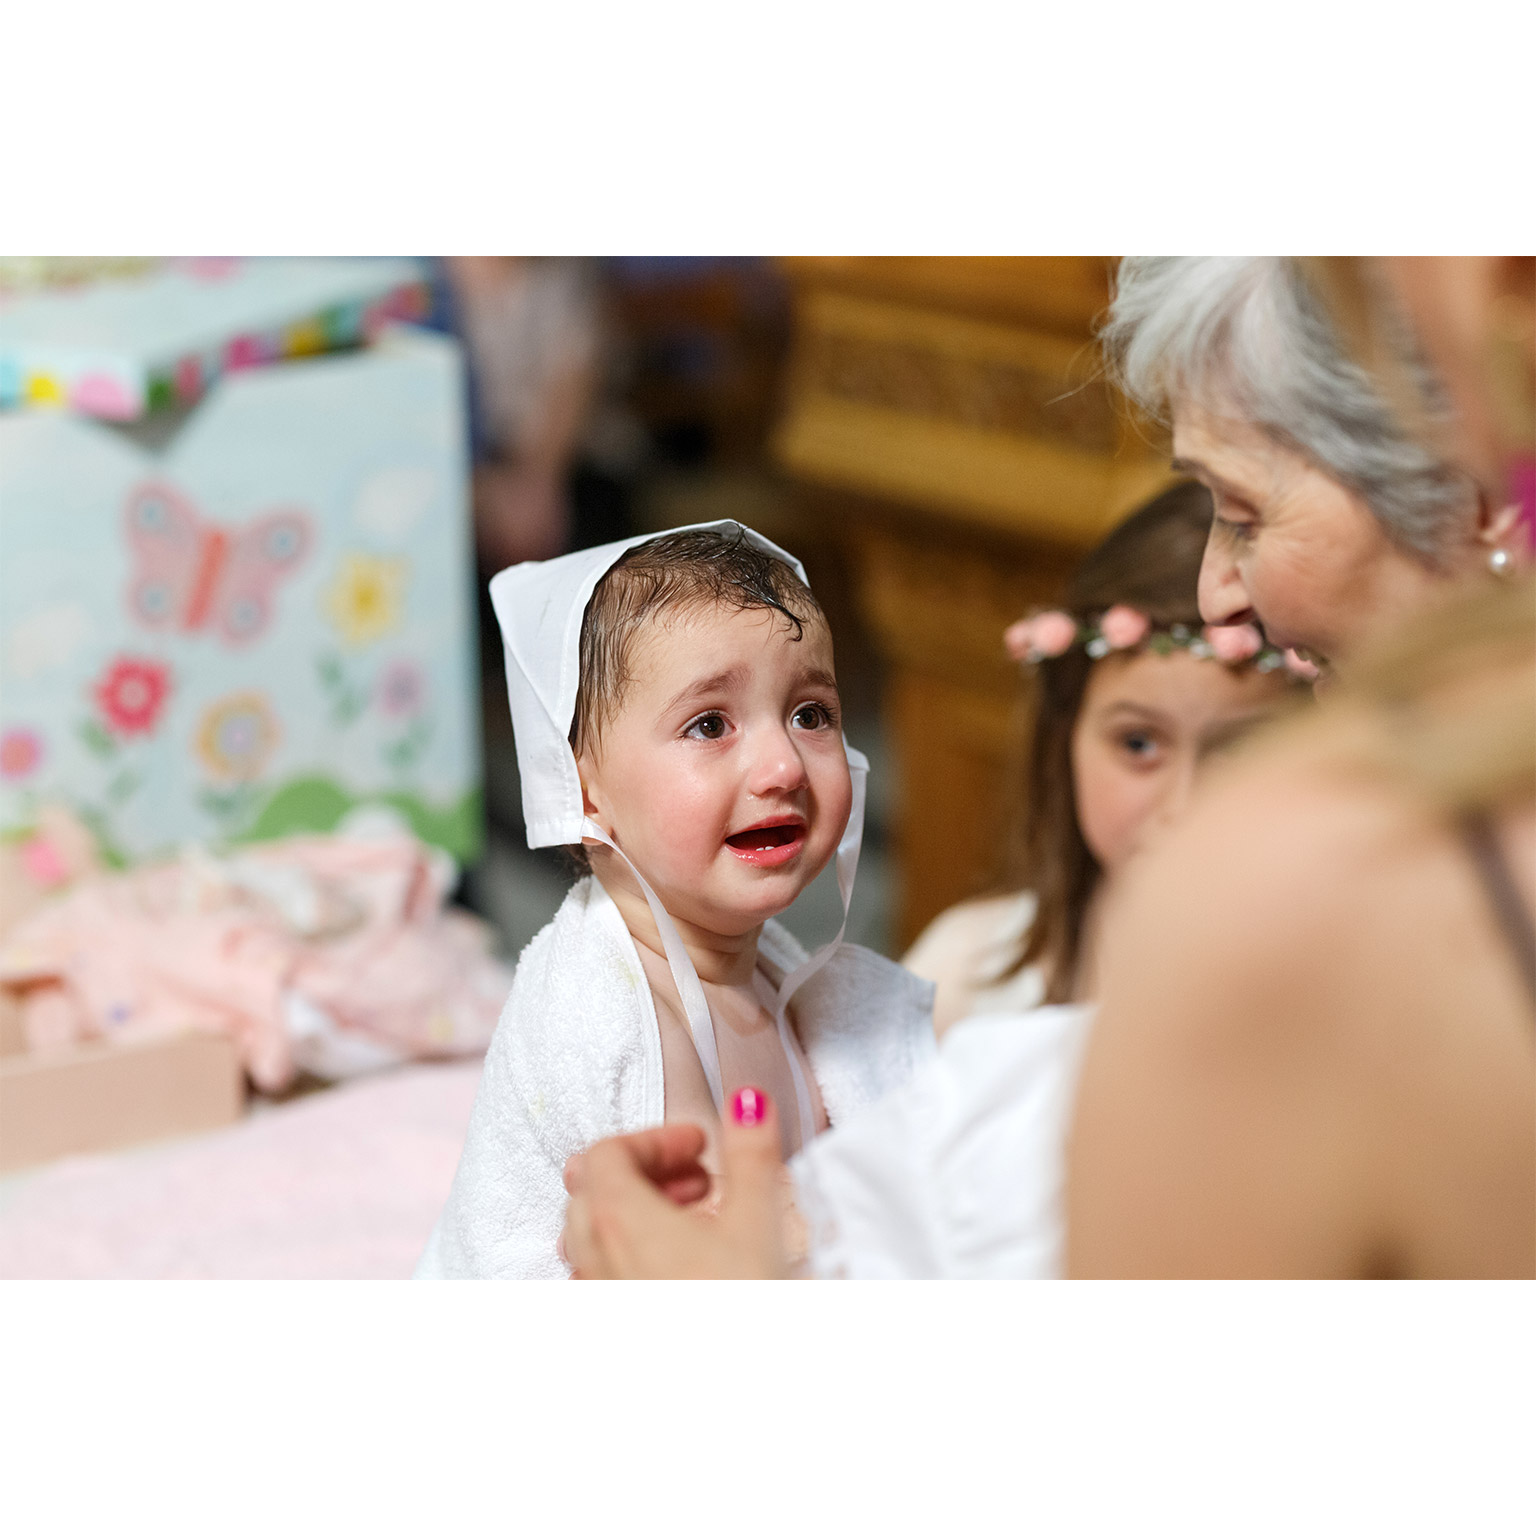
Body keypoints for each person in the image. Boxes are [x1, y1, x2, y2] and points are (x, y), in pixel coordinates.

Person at [556, 258, 1535, 1280]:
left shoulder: (1291, 908)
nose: (1215, 597)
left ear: (1481, 488)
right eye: (707, 725)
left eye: (1242, 512)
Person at [416, 523, 934, 1278]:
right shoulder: (607, 1017)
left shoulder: (797, 1000)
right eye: (710, 724)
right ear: (582, 790)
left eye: (810, 713)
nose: (783, 764)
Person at [903, 480, 1310, 1036]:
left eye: (1246, 753)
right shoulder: (964, 974)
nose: (1184, 807)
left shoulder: (1360, 1002)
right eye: (1138, 744)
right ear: (1065, 737)